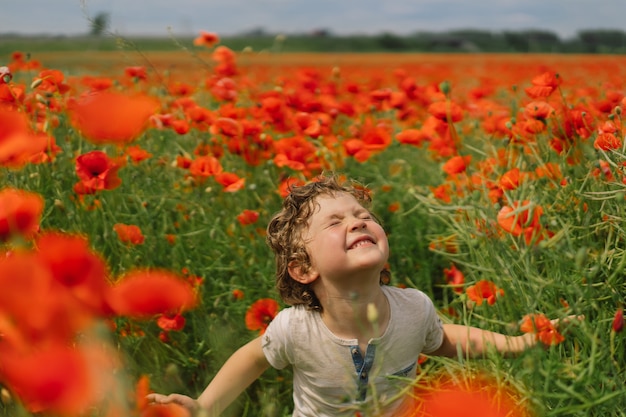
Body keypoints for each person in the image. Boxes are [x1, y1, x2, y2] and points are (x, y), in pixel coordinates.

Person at [147, 174, 557, 416]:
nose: (358, 223)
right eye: (335, 222)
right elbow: (253, 356)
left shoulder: (414, 307)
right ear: (304, 269)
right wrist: (203, 407)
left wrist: (521, 343)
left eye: (364, 217)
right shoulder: (295, 327)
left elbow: (446, 339)